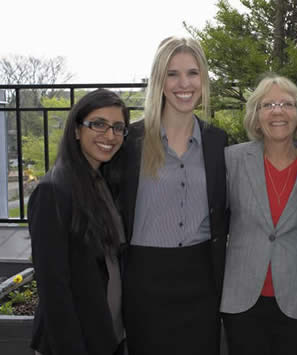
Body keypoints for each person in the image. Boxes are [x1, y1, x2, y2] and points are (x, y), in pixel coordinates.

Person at [110, 36, 228, 355]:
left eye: (192, 73)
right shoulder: (131, 142)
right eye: (172, 74)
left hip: (202, 281)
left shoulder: (218, 143)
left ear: (203, 79)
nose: (183, 83)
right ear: (159, 81)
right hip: (144, 282)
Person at [220, 74, 297, 355]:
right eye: (268, 105)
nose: (277, 111)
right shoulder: (231, 160)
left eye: (286, 104)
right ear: (256, 117)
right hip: (242, 297)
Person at [28, 89, 130, 355]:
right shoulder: (53, 191)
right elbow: (54, 289)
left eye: (118, 128)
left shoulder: (102, 183)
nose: (110, 135)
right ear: (76, 130)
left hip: (107, 337)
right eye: (98, 124)